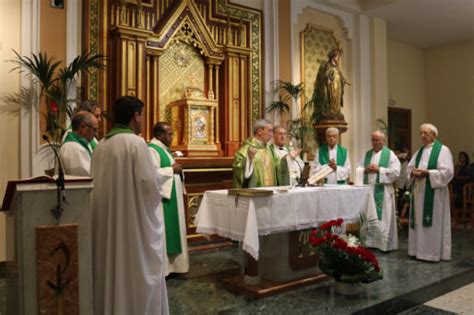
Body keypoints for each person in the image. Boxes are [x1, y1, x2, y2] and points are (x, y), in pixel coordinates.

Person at [90, 96, 168, 314]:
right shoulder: (135, 143)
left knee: (111, 269)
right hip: (132, 225)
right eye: (141, 115)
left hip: (106, 223)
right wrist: (161, 182)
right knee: (133, 270)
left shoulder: (101, 145)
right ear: (135, 116)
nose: (142, 120)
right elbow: (149, 186)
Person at [407, 123, 453, 262]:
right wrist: (413, 172)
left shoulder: (443, 150)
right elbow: (409, 168)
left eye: (425, 133)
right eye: (421, 133)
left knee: (433, 222)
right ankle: (418, 251)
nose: (422, 136)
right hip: (419, 192)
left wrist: (428, 173)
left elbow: (448, 172)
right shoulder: (420, 151)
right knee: (419, 221)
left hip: (434, 194)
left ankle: (432, 253)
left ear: (434, 135)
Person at [149, 122, 189, 276]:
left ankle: (175, 267)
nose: (172, 137)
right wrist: (171, 169)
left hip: (173, 196)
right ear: (159, 135)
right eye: (169, 134)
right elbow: (151, 174)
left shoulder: (164, 150)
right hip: (163, 200)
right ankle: (166, 269)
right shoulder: (152, 150)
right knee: (166, 232)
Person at [359, 130, 400, 251]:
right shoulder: (367, 154)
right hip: (368, 190)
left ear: (383, 141)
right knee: (369, 217)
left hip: (383, 190)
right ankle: (369, 242)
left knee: (383, 218)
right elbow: (358, 168)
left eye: (378, 140)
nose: (375, 142)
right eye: (373, 140)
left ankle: (383, 244)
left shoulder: (390, 154)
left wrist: (379, 169)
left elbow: (396, 172)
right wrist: (365, 170)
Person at [232, 119, 277, 188]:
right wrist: (248, 160)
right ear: (259, 131)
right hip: (255, 193)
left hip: (271, 192)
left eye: (272, 131)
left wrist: (288, 159)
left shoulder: (269, 149)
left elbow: (277, 166)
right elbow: (237, 167)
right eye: (269, 131)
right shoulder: (246, 149)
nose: (271, 135)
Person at [312, 46, 350, 121]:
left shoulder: (337, 67)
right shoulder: (328, 65)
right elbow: (326, 75)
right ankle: (331, 110)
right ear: (333, 56)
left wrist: (344, 81)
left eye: (339, 57)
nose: (338, 59)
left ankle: (336, 111)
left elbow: (341, 75)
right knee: (331, 97)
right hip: (331, 85)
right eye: (337, 57)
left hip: (338, 85)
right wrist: (329, 79)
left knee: (337, 98)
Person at [59, 111, 98, 176]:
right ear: (82, 127)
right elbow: (85, 175)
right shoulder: (73, 147)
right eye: (94, 129)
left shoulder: (77, 145)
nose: (95, 134)